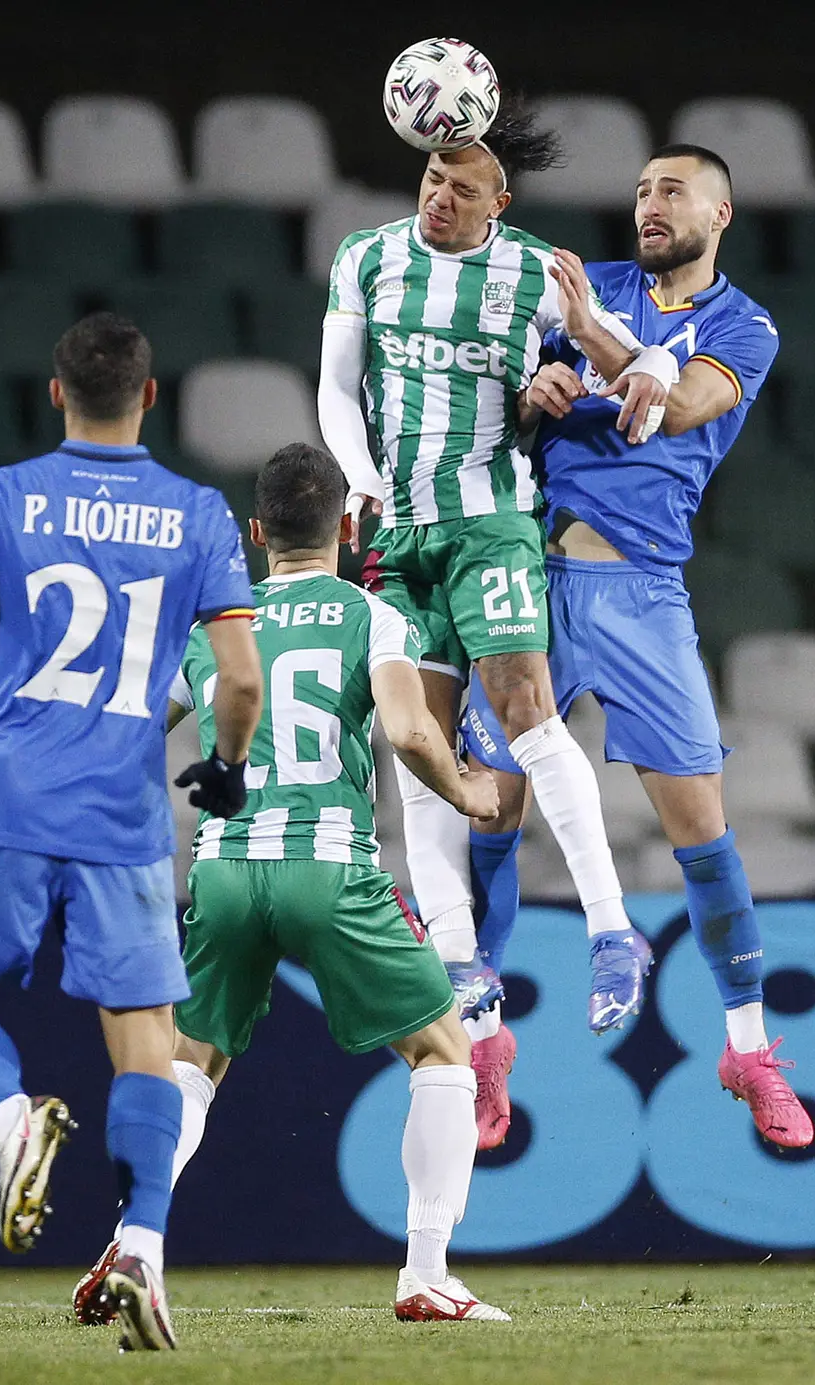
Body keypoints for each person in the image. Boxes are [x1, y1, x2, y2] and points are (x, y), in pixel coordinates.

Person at [0, 313, 263, 1352]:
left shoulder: (1, 493)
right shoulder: (199, 512)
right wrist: (227, 766)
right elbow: (238, 676)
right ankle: (141, 1244)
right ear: (150, 397)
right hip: (123, 811)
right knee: (146, 1043)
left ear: (56, 394)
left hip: (6, 794)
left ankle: (12, 1119)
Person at [72, 443, 512, 1323]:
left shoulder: (212, 626)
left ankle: (134, 1241)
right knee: (443, 1053)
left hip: (225, 871)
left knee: (191, 1064)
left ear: (255, 531)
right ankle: (427, 1273)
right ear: (348, 527)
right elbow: (409, 729)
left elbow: (125, 734)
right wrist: (467, 791)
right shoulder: (371, 615)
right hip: (327, 865)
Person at [316, 102, 677, 1130]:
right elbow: (336, 389)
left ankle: (611, 927)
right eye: (432, 179)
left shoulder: (533, 273)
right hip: (399, 536)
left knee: (525, 714)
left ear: (498, 203)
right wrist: (359, 479)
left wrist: (632, 366)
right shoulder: (365, 258)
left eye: (462, 188)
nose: (439, 197)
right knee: (417, 745)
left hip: (492, 524)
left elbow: (638, 362)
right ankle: (471, 995)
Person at [459, 145, 814, 1151]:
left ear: (720, 211)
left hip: (643, 592)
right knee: (490, 808)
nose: (649, 205)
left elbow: (683, 403)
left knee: (703, 830)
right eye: (642, 190)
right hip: (531, 578)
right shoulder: (590, 285)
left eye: (672, 191)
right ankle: (485, 1039)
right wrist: (538, 386)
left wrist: (590, 339)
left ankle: (748, 1049)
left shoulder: (743, 325)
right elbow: (508, 397)